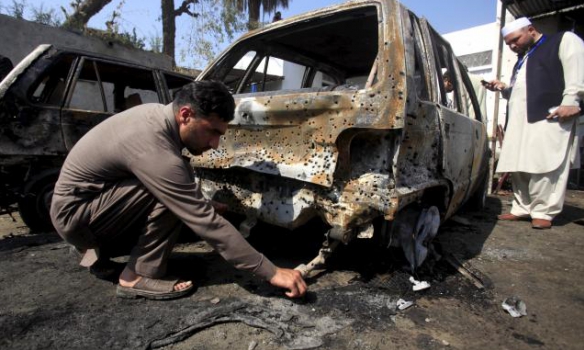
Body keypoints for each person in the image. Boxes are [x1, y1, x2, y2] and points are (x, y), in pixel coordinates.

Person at [50, 81, 307, 300]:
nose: (215, 144)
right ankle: (136, 275)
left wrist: (197, 204)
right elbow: (206, 223)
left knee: (178, 188)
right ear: (185, 115)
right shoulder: (154, 146)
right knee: (175, 189)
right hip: (78, 220)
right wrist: (271, 272)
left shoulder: (155, 115)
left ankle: (104, 253)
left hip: (85, 208)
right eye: (212, 132)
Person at [483, 18, 584, 229]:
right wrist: (503, 88)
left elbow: (577, 69)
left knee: (544, 165)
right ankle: (522, 208)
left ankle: (543, 211)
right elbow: (523, 90)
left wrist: (572, 100)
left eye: (515, 40)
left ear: (530, 30)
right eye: (508, 43)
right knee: (519, 165)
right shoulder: (524, 58)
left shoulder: (562, 40)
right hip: (520, 120)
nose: (512, 46)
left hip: (549, 115)